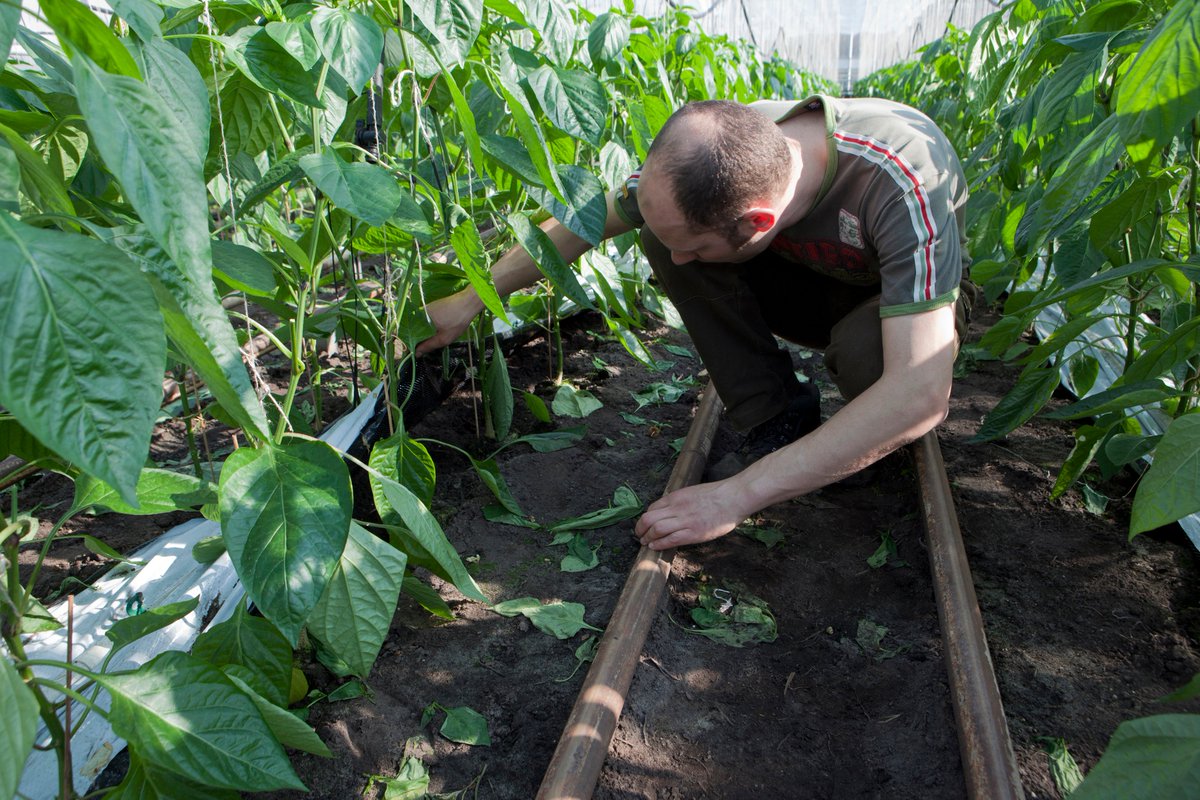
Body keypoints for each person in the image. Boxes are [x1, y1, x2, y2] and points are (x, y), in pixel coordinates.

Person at [416, 95, 972, 552]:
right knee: (665, 234)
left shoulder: (901, 178)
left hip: (892, 310)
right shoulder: (717, 154)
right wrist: (470, 300)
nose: (679, 267)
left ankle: (856, 442)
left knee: (871, 356)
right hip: (806, 285)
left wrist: (737, 496)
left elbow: (919, 392)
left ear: (758, 220)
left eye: (697, 246)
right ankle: (777, 419)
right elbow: (584, 221)